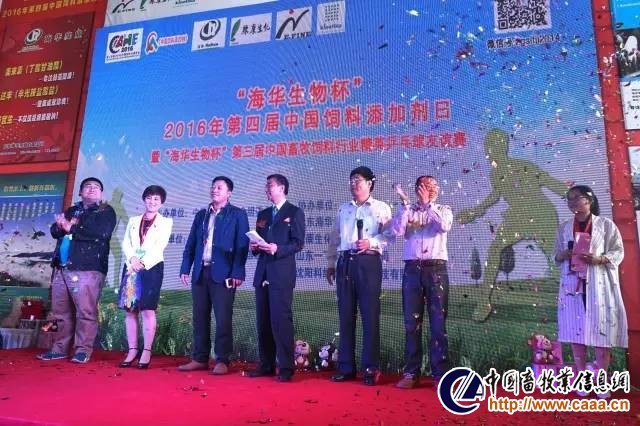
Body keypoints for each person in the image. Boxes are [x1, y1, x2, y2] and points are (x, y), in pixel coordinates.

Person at [456, 128, 567, 322]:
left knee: (554, 260)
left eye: (493, 146)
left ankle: (570, 299)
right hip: (518, 216)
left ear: (502, 147)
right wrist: (474, 212)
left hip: (541, 213)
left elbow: (549, 182)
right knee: (495, 250)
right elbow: (495, 196)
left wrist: (573, 196)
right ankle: (484, 302)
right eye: (488, 146)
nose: (489, 151)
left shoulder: (523, 165)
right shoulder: (495, 173)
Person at [554, 185, 628, 399]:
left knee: (601, 334)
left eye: (576, 198)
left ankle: (602, 381)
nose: (572, 202)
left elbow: (618, 252)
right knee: (576, 334)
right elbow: (555, 255)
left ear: (589, 200)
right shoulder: (564, 228)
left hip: (599, 286)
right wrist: (563, 254)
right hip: (572, 287)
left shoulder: (606, 225)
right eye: (569, 199)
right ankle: (582, 380)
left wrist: (600, 259)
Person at [37, 177, 117, 363]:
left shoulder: (105, 211)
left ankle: (82, 350)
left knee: (85, 311)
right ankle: (59, 348)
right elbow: (54, 231)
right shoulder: (72, 210)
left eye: (96, 187)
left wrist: (70, 227)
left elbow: (100, 233)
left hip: (87, 267)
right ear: (80, 192)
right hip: (61, 266)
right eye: (87, 186)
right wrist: (61, 226)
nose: (92, 189)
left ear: (101, 194)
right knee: (60, 311)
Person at [326, 166, 392, 386]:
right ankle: (346, 368)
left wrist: (371, 242)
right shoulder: (344, 208)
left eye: (358, 180)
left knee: (369, 316)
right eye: (352, 180)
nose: (354, 184)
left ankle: (370, 369)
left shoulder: (381, 207)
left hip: (368, 262)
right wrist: (331, 263)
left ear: (370, 184)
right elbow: (335, 238)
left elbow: (390, 235)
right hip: (345, 262)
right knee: (346, 315)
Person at [178, 177, 249, 375]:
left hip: (224, 274)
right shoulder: (202, 215)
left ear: (229, 193)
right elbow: (191, 243)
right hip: (201, 272)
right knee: (200, 317)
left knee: (223, 318)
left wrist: (237, 271)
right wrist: (185, 267)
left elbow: (242, 246)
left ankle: (222, 360)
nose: (214, 190)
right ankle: (199, 358)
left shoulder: (237, 215)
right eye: (213, 187)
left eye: (219, 187)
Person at [387, 176, 452, 388]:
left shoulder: (443, 209)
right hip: (412, 269)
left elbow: (444, 226)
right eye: (424, 186)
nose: (429, 189)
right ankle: (411, 373)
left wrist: (427, 205)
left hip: (436, 270)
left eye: (432, 186)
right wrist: (405, 205)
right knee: (411, 324)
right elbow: (396, 231)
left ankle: (440, 374)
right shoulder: (409, 210)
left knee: (438, 324)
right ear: (417, 189)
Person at [247, 174, 305, 382]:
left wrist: (277, 248)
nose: (267, 189)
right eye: (266, 186)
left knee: (280, 321)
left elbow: (298, 243)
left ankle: (286, 367)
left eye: (270, 186)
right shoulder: (263, 214)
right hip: (262, 272)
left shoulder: (294, 212)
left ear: (281, 188)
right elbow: (257, 242)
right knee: (263, 321)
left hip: (281, 274)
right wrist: (255, 246)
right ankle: (266, 365)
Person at [117, 185, 172, 369]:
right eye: (149, 198)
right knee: (130, 309)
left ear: (161, 202)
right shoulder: (134, 220)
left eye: (156, 199)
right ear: (143, 199)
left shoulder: (166, 222)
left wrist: (142, 262)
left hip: (152, 267)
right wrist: (132, 260)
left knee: (148, 309)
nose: (152, 201)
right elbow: (126, 243)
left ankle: (146, 351)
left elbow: (160, 246)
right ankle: (132, 350)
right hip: (131, 267)